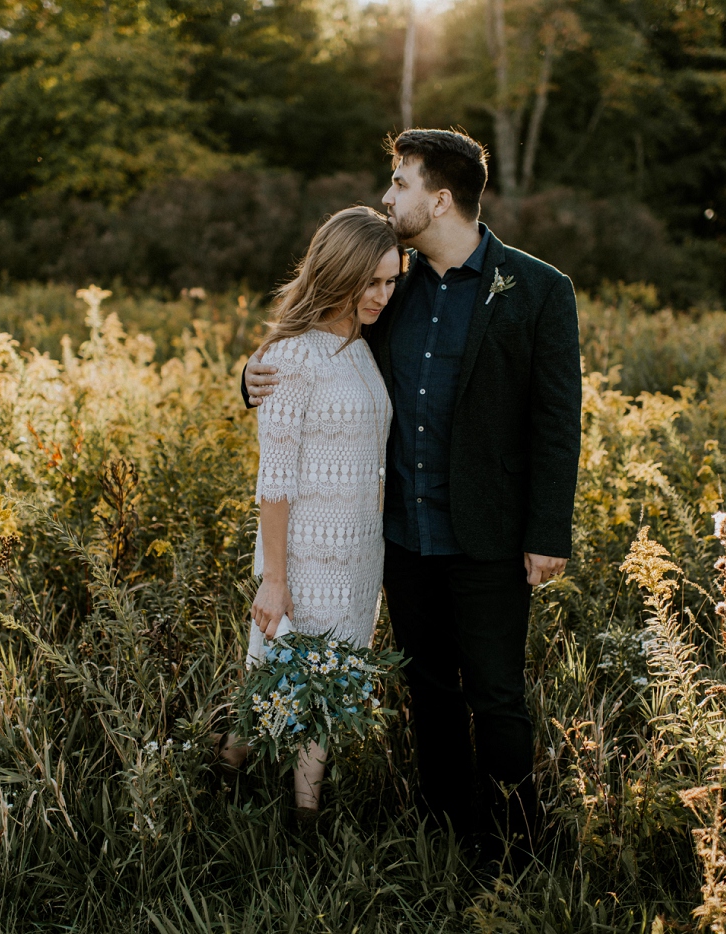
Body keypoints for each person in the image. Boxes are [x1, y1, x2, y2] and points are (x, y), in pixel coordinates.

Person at [243, 129, 581, 857]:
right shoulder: (390, 282)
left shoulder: (539, 290)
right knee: (428, 688)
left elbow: (557, 421)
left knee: (496, 693)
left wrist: (548, 530)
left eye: (399, 183)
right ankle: (446, 827)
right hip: (402, 536)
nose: (388, 196)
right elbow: (312, 341)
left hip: (490, 533)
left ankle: (517, 842)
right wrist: (251, 376)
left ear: (441, 198)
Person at [219, 206, 404, 821]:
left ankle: (250, 792)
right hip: (303, 557)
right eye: (371, 281)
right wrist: (275, 579)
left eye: (391, 281)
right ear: (338, 273)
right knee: (290, 686)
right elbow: (274, 480)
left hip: (358, 556)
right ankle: (288, 815)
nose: (382, 295)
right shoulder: (292, 357)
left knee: (308, 684)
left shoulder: (359, 347)